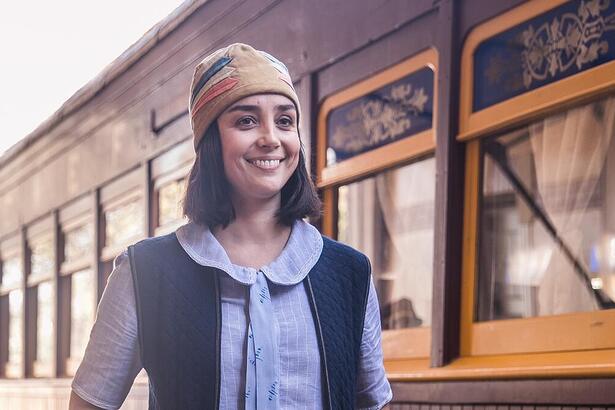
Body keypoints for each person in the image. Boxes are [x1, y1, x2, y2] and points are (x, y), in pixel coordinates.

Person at [69, 43, 392, 410]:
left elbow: (372, 404)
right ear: (210, 141)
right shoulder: (145, 273)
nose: (271, 137)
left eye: (285, 120)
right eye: (246, 120)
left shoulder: (349, 274)